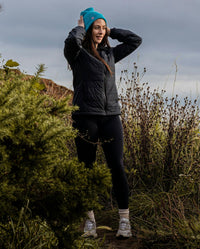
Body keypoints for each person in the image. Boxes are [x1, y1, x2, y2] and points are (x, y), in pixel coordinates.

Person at [64, 7, 142, 239]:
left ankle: (124, 221)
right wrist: (80, 26)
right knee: (86, 168)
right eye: (95, 27)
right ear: (88, 29)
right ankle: (89, 223)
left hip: (111, 117)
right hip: (85, 117)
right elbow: (71, 40)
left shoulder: (110, 54)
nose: (100, 31)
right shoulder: (76, 54)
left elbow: (135, 40)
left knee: (117, 166)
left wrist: (111, 30)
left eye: (102, 27)